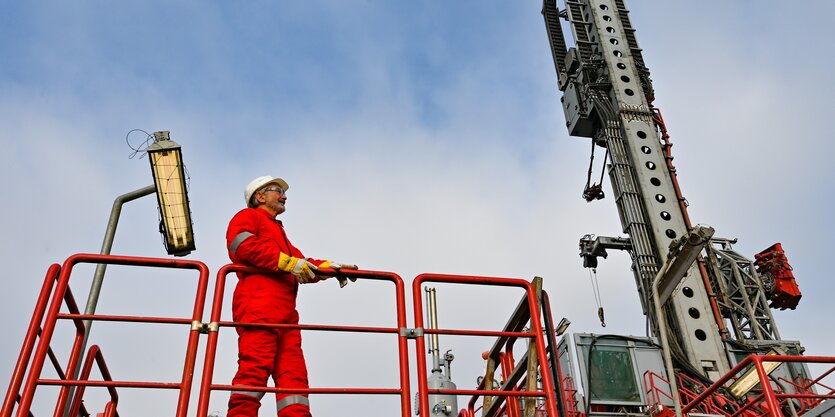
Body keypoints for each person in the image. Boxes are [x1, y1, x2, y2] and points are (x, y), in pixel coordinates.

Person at [225, 175, 357, 417]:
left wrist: (330, 267)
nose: (284, 195)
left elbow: (302, 264)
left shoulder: (277, 231)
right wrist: (286, 263)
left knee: (293, 376)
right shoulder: (248, 217)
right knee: (254, 369)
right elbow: (240, 246)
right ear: (260, 196)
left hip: (285, 317)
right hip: (259, 309)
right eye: (277, 190)